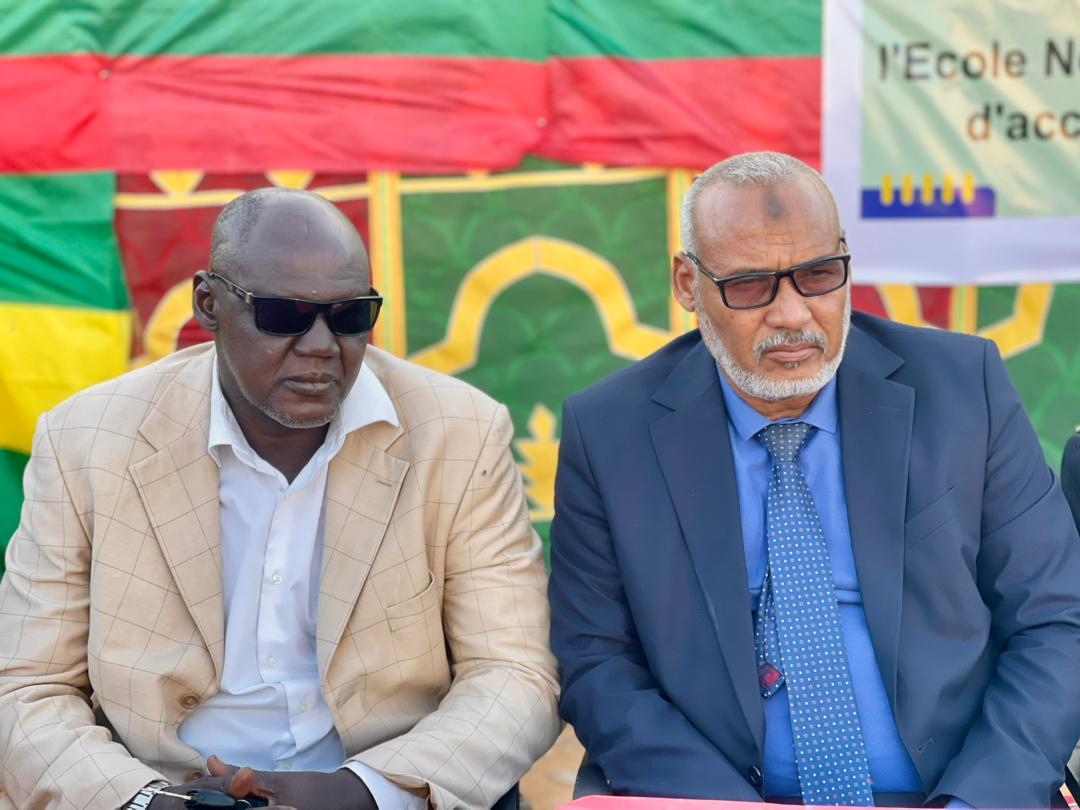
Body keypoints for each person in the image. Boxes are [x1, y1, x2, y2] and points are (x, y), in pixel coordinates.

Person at [549, 151, 1080, 808]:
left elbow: (1055, 618)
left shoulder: (962, 388)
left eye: (819, 275)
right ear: (687, 284)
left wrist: (976, 801)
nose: (793, 315)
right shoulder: (611, 432)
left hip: (953, 792)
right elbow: (596, 660)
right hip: (717, 798)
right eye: (750, 285)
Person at [0, 188, 560, 810]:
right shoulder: (88, 439)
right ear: (208, 305)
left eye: (350, 315)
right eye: (284, 315)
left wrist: (362, 790)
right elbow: (26, 686)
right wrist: (147, 802)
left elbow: (515, 672)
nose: (322, 344)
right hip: (156, 785)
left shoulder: (460, 434)